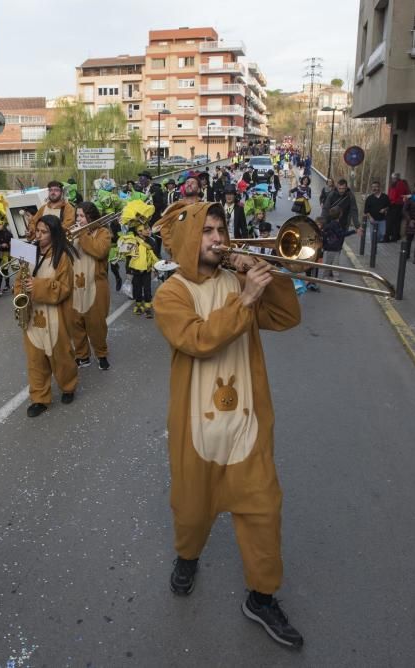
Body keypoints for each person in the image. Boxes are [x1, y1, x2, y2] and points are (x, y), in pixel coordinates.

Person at [152, 202, 303, 649]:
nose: (219, 239)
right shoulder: (170, 294)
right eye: (208, 231)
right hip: (195, 429)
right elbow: (197, 340)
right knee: (192, 509)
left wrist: (265, 277)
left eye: (221, 230)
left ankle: (261, 596)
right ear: (186, 240)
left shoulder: (239, 282)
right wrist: (246, 299)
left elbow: (286, 318)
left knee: (263, 511)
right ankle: (187, 556)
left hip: (247, 425)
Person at [16, 215, 79, 418]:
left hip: (55, 314)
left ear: (54, 234)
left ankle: (68, 386)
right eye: (38, 231)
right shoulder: (28, 252)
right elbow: (20, 279)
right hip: (32, 312)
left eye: (44, 232)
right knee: (35, 359)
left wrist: (39, 285)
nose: (39, 235)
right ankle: (39, 398)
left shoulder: (62, 257)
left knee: (61, 355)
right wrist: (19, 291)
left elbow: (65, 288)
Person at [69, 202, 112, 370]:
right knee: (76, 323)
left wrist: (82, 234)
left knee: (96, 324)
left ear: (91, 217)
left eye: (82, 216)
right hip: (75, 285)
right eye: (77, 216)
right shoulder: (73, 234)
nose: (78, 219)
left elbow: (99, 251)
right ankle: (82, 355)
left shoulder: (103, 233)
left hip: (95, 283)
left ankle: (101, 354)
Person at [128, 222, 159, 318]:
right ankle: (138, 305)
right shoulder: (133, 241)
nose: (147, 231)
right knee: (136, 288)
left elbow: (155, 256)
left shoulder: (152, 241)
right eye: (142, 230)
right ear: (138, 232)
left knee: (147, 289)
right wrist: (128, 271)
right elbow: (129, 257)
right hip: (136, 270)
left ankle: (148, 307)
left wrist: (155, 269)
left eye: (148, 229)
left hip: (147, 270)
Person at [319, 210, 356, 280]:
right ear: (339, 215)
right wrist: (353, 231)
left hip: (332, 247)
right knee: (331, 263)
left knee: (332, 262)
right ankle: (328, 277)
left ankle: (333, 277)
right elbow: (341, 234)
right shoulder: (335, 224)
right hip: (333, 247)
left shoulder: (331, 224)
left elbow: (324, 233)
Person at [386, 173, 410, 243]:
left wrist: (391, 202)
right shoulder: (397, 184)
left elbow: (396, 195)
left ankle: (391, 237)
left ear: (396, 178)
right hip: (395, 204)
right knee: (395, 222)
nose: (392, 179)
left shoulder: (399, 184)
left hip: (396, 204)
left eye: (393, 178)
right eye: (392, 178)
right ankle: (394, 236)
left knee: (392, 222)